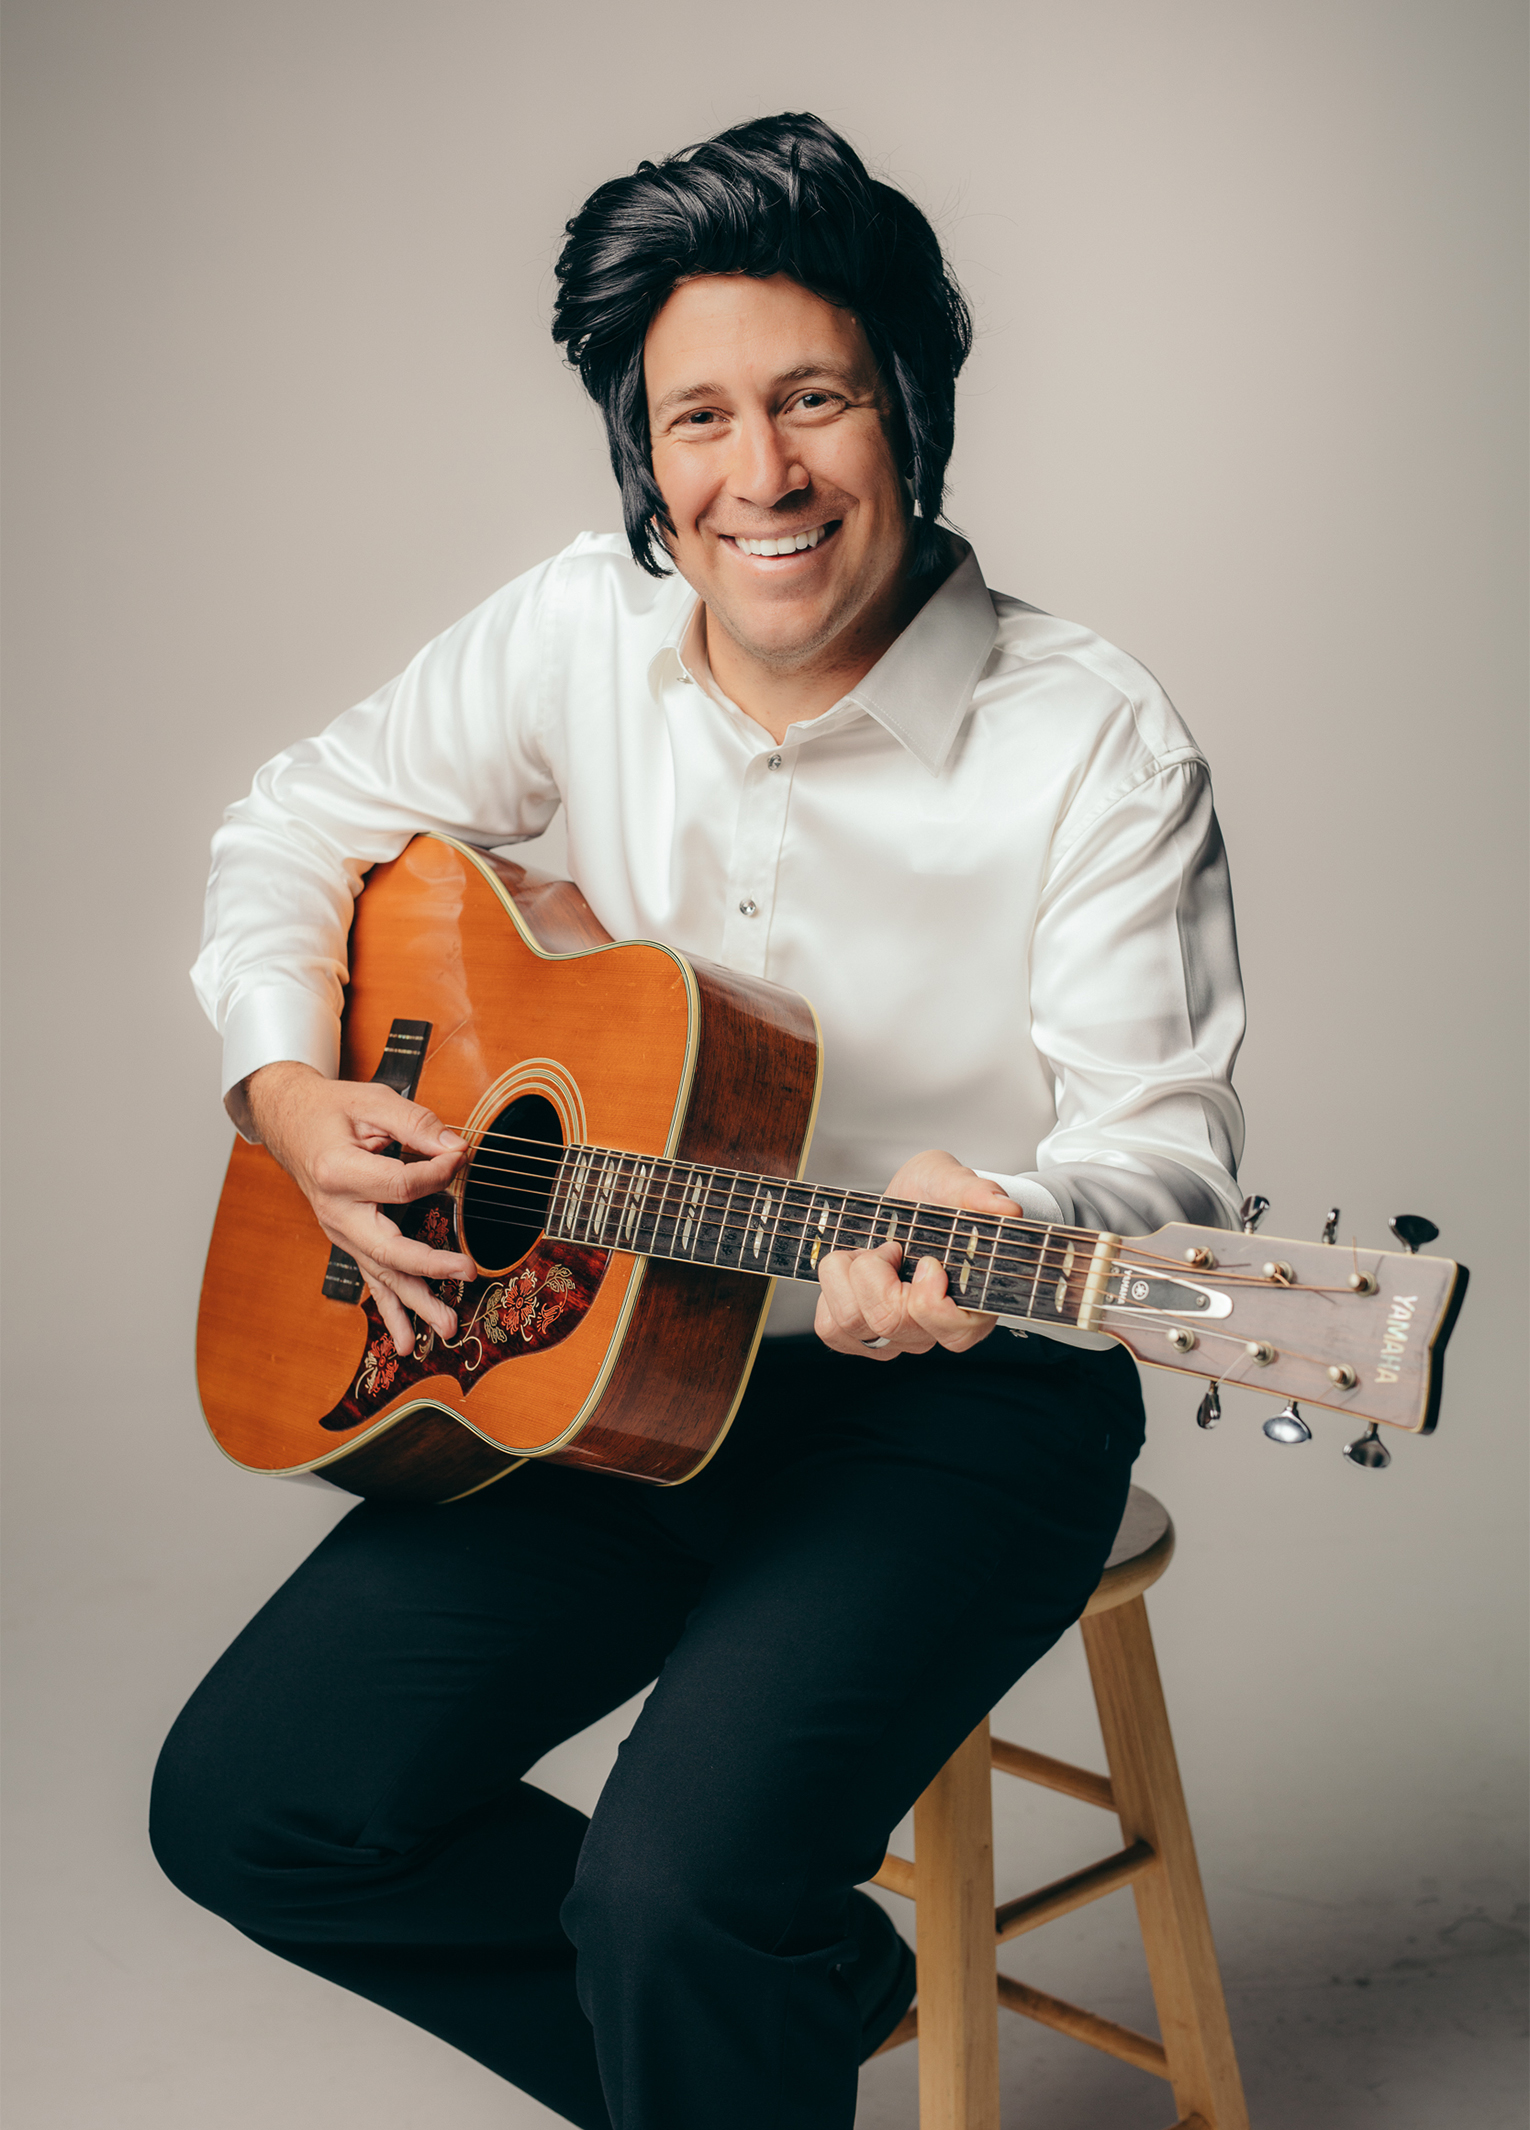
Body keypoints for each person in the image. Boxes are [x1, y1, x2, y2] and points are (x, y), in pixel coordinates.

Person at [150, 112, 1246, 2129]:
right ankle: (786, 2014)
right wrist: (295, 1092)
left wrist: (1010, 1202)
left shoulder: (1090, 736)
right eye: (699, 420)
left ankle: (719, 1998)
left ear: (906, 405)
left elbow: (1167, 1152)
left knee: (673, 1901)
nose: (762, 478)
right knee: (255, 1809)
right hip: (614, 1357)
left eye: (815, 399)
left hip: (953, 1406)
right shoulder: (576, 626)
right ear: (641, 454)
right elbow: (295, 820)